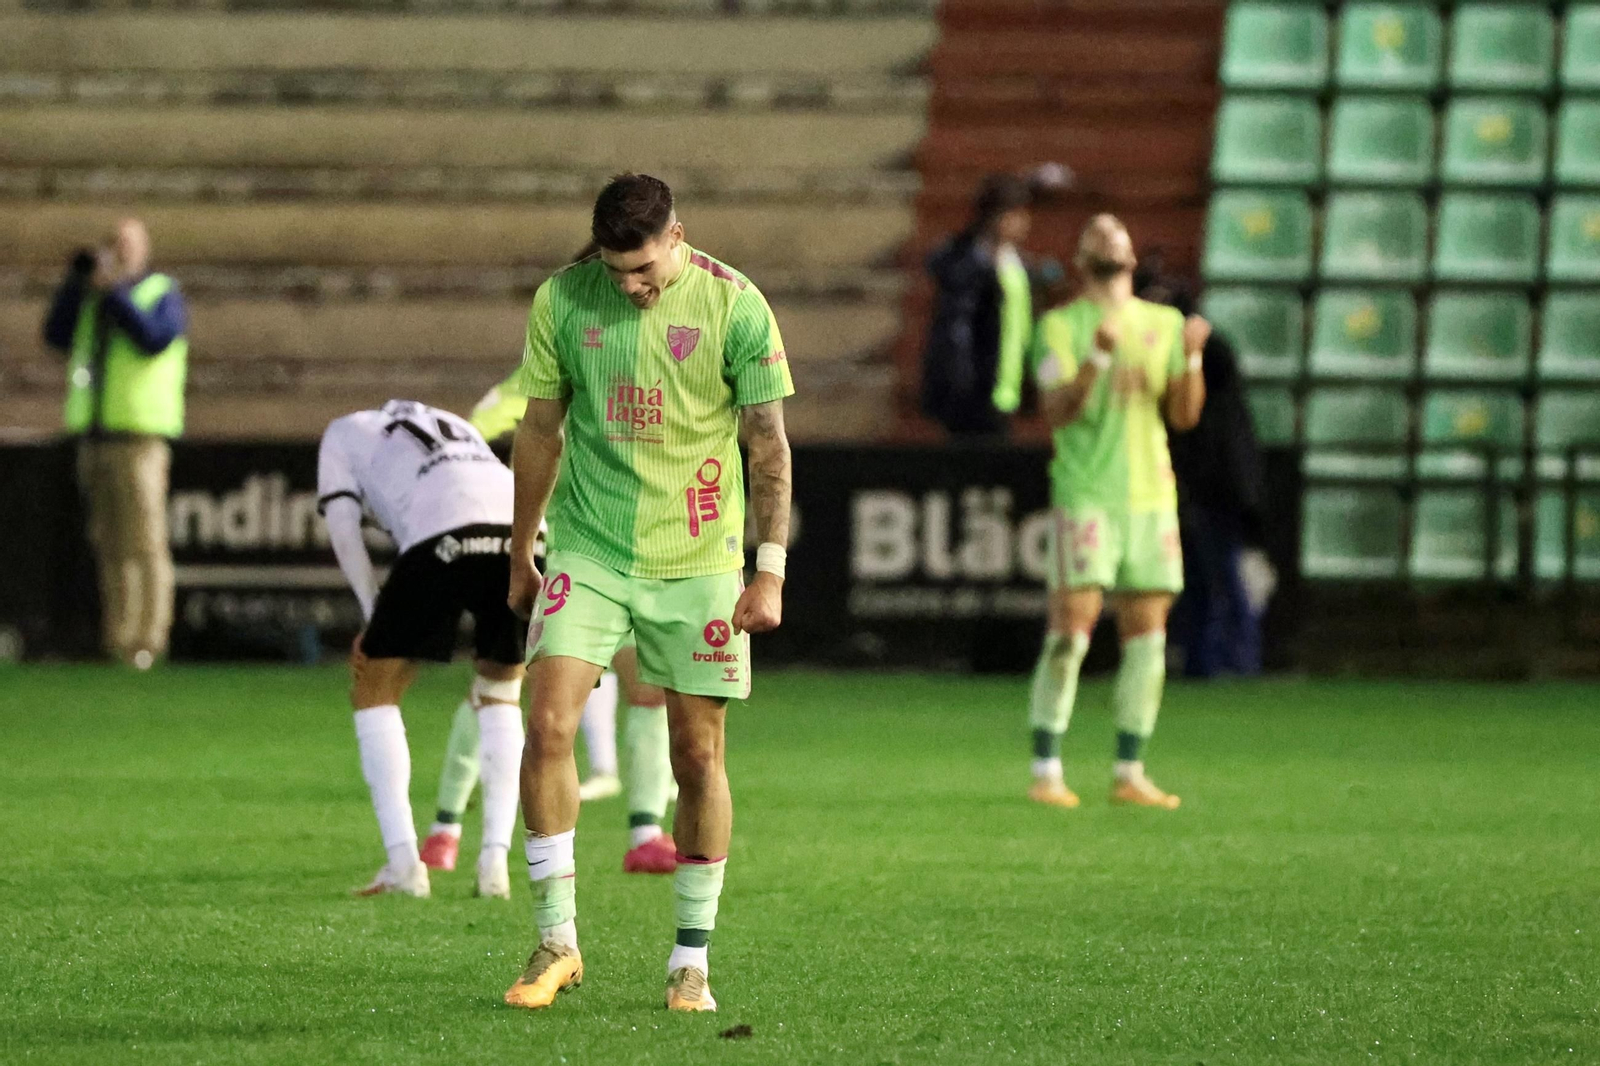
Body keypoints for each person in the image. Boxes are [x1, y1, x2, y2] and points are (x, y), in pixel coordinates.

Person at [501, 173, 794, 1014]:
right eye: (616, 271)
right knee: (548, 721)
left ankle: (690, 961)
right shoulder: (562, 300)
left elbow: (768, 446)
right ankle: (557, 940)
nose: (630, 287)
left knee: (696, 757)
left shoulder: (735, 306)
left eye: (644, 271)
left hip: (700, 557)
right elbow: (540, 430)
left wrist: (767, 567)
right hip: (590, 548)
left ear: (677, 236)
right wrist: (524, 551)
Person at [1023, 214, 1208, 811]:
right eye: (1094, 232)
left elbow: (1183, 416)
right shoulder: (1059, 326)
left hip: (1149, 495)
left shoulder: (1164, 323)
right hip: (1087, 492)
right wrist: (1095, 362)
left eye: (1115, 231)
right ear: (1080, 259)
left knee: (1147, 637)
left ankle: (1130, 769)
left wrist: (1194, 361)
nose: (1105, 234)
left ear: (1131, 255)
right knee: (1069, 633)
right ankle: (1046, 767)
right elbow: (1056, 409)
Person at [468, 371, 682, 876]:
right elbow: (477, 441)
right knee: (508, 689)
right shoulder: (525, 386)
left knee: (649, 689)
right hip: (562, 558)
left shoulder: (622, 376)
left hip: (634, 555)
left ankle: (646, 834)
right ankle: (449, 826)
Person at [317, 399, 528, 900]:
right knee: (502, 689)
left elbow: (344, 527)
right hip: (522, 530)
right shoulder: (450, 420)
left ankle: (405, 865)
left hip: (442, 530)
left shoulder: (343, 430)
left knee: (375, 688)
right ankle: (494, 862)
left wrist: (373, 617)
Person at [42, 217, 188, 669]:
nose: (119, 253)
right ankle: (118, 636)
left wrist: (116, 293)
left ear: (145, 250)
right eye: (114, 245)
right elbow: (55, 335)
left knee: (144, 540)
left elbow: (154, 338)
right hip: (96, 434)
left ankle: (149, 637)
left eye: (128, 245)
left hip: (140, 434)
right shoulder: (92, 296)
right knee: (109, 541)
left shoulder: (160, 292)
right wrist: (74, 281)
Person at [1135, 268, 1273, 679]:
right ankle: (1201, 660)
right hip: (1197, 483)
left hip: (1218, 484)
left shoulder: (1210, 351)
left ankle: (1238, 658)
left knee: (1221, 575)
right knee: (1196, 576)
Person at [921, 174, 1034, 437]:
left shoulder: (1017, 265)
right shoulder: (965, 263)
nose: (1023, 223)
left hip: (1008, 387)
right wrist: (958, 384)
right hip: (970, 392)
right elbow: (955, 328)